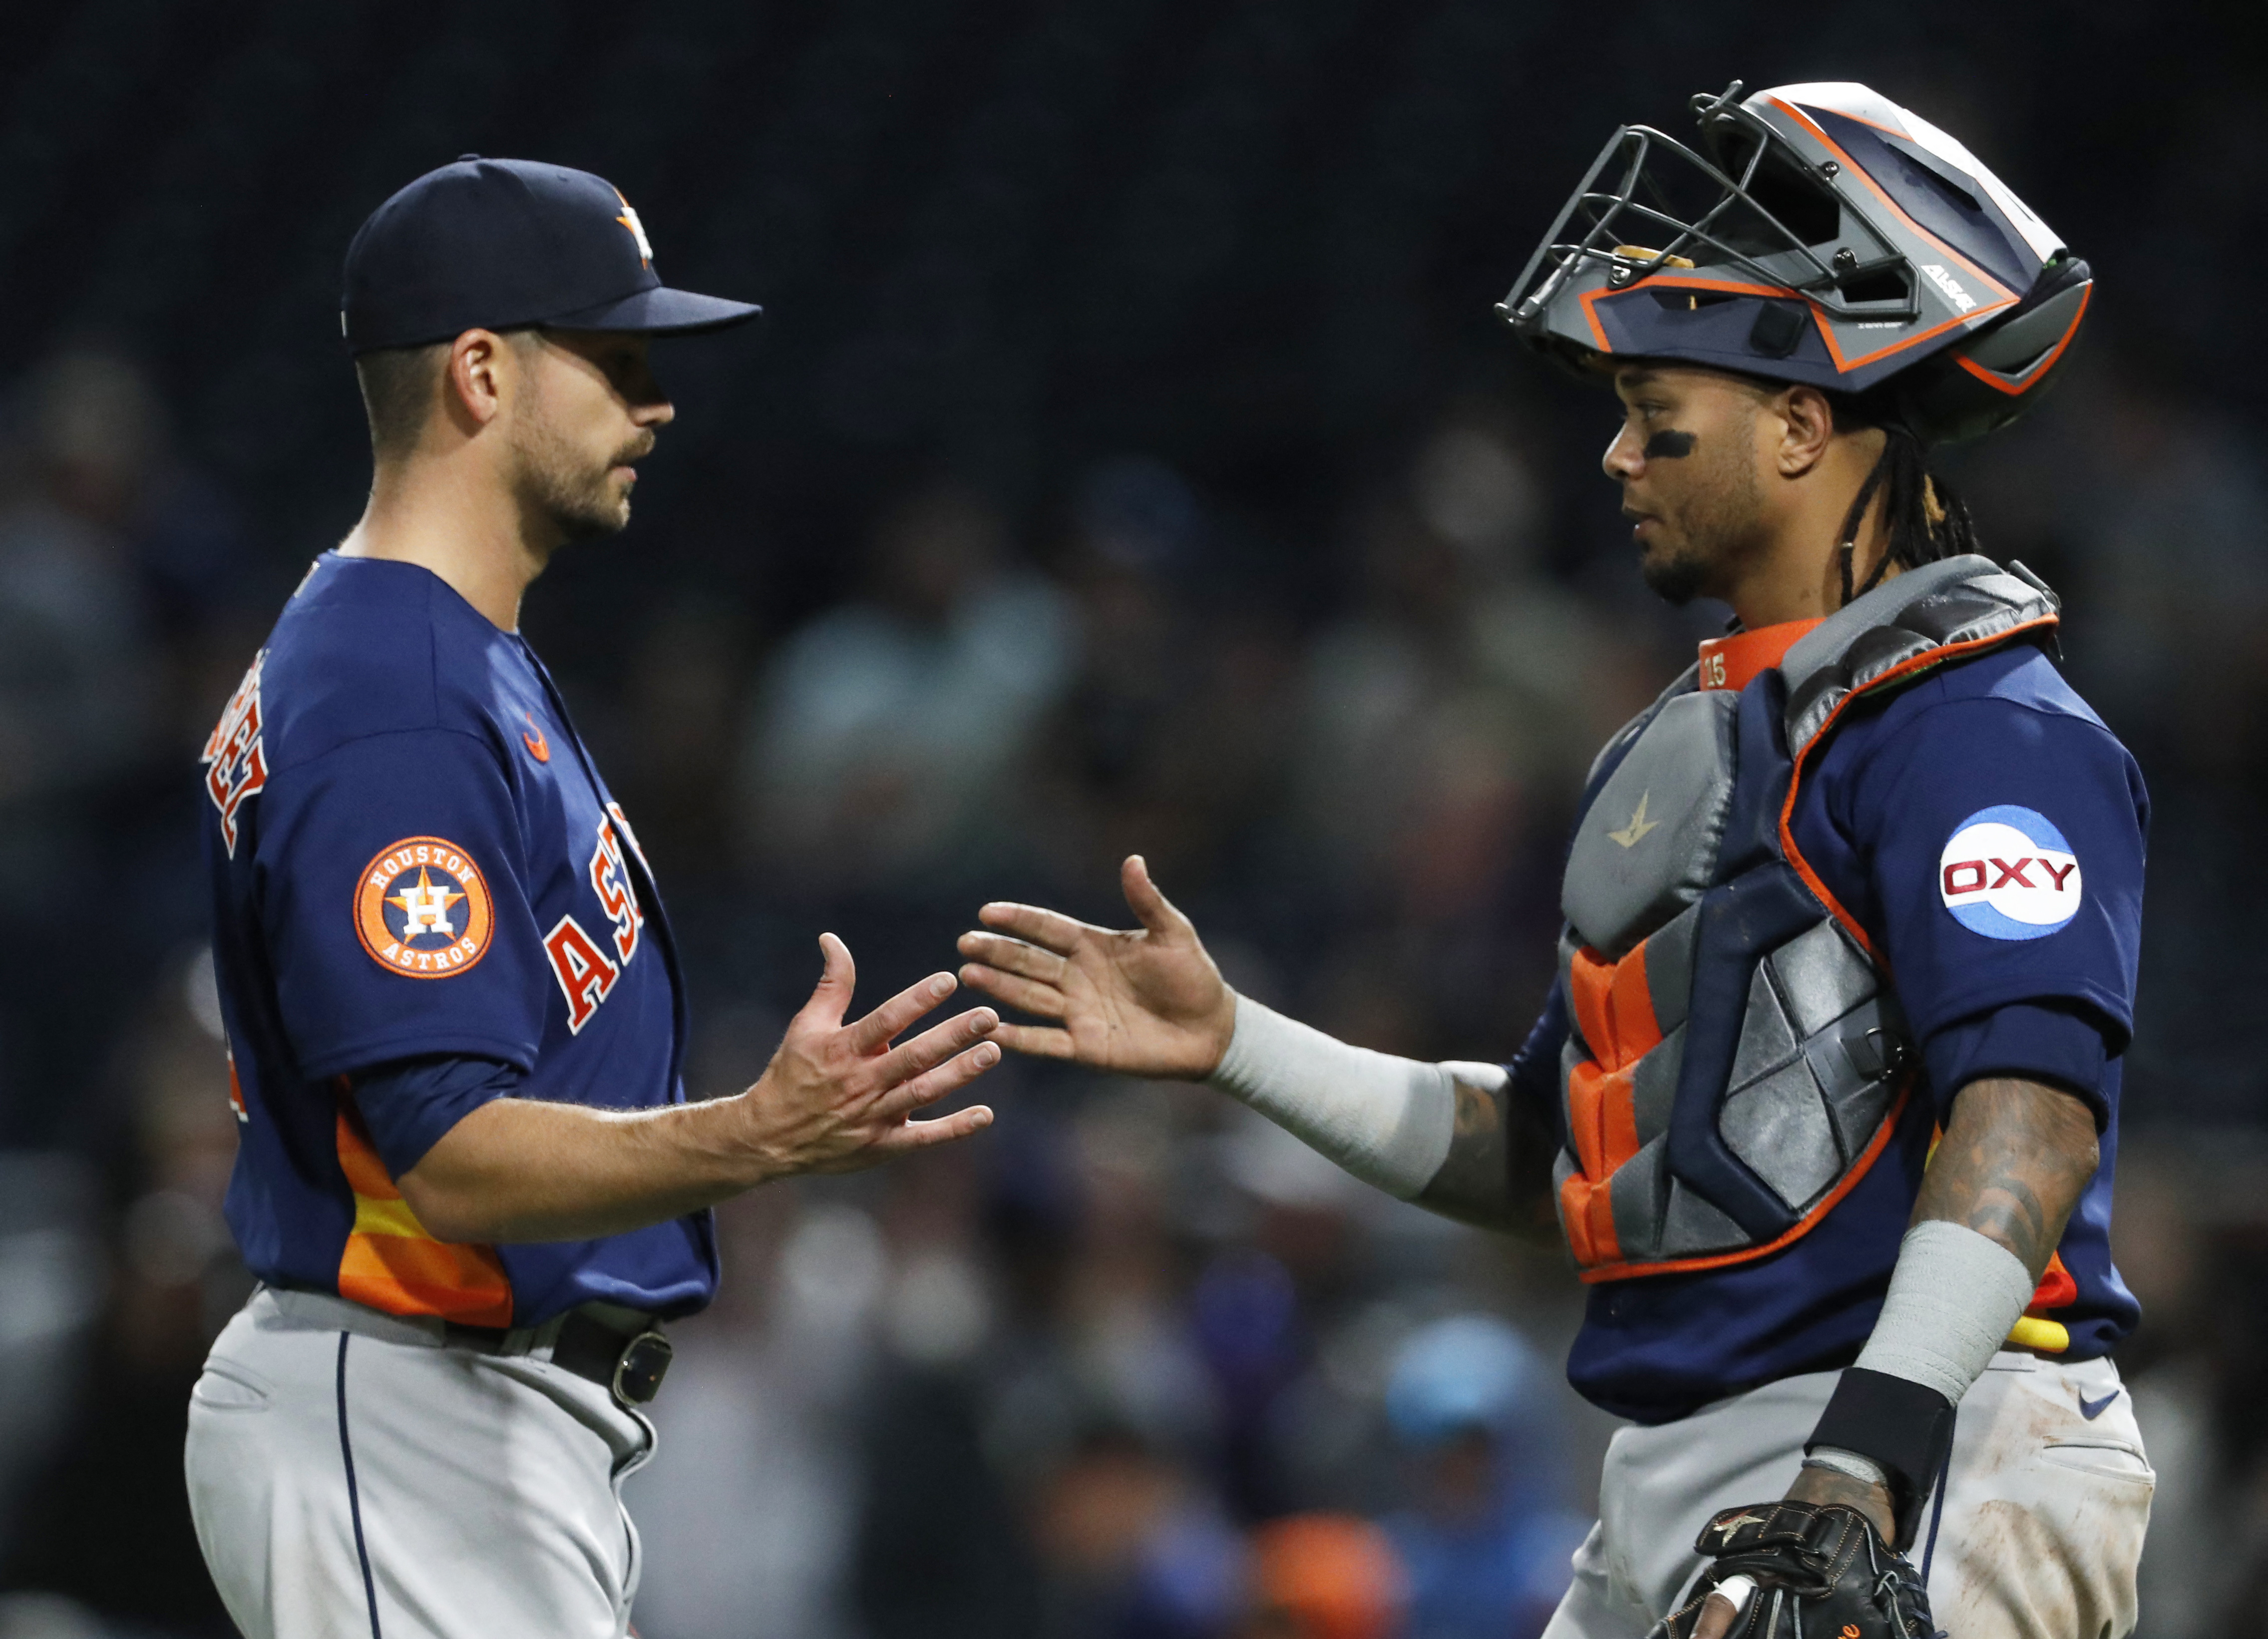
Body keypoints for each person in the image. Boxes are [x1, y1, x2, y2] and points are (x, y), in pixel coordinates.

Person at [959, 82, 2148, 1639]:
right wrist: (1236, 1042)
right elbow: (1561, 1153)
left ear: (1804, 425)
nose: (1615, 456)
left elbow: (2032, 1118)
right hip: (1679, 1471)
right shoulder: (1685, 747)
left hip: (1937, 1433)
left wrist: (1870, 1456)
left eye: (1658, 416)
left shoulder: (1979, 719)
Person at [186, 156, 1003, 1639]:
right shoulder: (396, 694)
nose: (657, 403)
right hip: (409, 1400)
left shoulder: (444, 658)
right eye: (616, 360)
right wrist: (757, 1135)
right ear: (483, 374)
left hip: (470, 1419)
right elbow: (448, 1148)